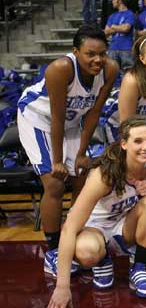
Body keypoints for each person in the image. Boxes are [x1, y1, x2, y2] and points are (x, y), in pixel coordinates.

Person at [17, 25, 118, 274]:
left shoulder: (110, 69)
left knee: (82, 179)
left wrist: (82, 154)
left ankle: (72, 237)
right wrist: (59, 161)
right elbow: (57, 119)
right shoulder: (61, 69)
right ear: (75, 52)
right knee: (55, 183)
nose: (98, 60)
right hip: (39, 118)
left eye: (102, 53)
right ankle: (52, 250)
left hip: (74, 121)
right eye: (90, 54)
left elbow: (94, 114)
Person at [47, 117, 146, 307]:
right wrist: (62, 287)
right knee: (87, 252)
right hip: (96, 229)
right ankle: (102, 259)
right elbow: (69, 227)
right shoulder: (104, 175)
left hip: (124, 227)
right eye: (138, 141)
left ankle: (139, 267)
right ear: (124, 144)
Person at [104, 0, 136, 71]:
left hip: (126, 48)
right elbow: (106, 32)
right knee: (112, 71)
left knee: (128, 71)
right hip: (113, 47)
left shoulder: (130, 14)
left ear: (120, 0)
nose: (113, 1)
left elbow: (126, 29)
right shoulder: (112, 15)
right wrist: (120, 27)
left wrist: (113, 26)